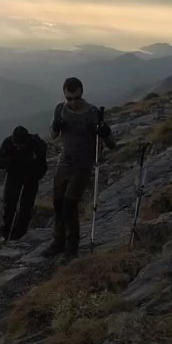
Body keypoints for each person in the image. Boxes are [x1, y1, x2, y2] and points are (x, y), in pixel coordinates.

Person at [48, 76, 115, 259]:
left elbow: (110, 143)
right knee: (58, 202)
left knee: (69, 204)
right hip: (65, 160)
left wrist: (105, 133)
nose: (72, 102)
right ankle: (58, 241)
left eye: (76, 98)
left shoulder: (91, 112)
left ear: (81, 94)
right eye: (69, 98)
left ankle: (72, 246)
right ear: (64, 95)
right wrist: (56, 125)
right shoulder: (60, 109)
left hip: (83, 163)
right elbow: (53, 135)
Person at [0, 125, 50, 241]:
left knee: (26, 207)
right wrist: (7, 162)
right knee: (9, 204)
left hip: (31, 177)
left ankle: (18, 234)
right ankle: (6, 232)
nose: (18, 148)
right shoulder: (8, 142)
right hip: (14, 175)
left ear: (27, 140)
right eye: (16, 145)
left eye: (21, 145)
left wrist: (36, 176)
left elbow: (43, 165)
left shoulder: (38, 144)